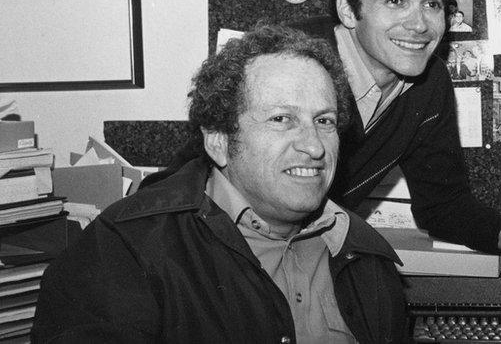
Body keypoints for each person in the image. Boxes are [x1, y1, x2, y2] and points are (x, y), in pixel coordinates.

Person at [32, 25, 408, 343]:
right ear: (219, 142)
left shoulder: (365, 256)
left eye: (324, 121)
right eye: (281, 118)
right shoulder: (125, 246)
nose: (313, 146)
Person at [290, 0, 501, 331]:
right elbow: (203, 183)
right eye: (396, 0)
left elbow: (443, 204)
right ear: (348, 11)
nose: (420, 24)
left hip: (311, 264)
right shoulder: (289, 60)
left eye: (432, 4)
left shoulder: (427, 84)